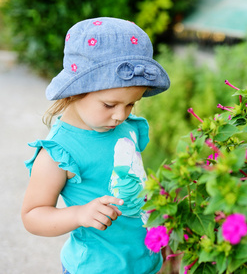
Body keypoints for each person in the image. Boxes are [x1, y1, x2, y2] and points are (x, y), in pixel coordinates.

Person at [21, 17, 170, 274]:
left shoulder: (125, 127)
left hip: (145, 261)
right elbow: (33, 215)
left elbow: (134, 177)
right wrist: (79, 215)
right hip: (97, 267)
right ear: (76, 91)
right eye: (110, 105)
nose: (120, 115)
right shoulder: (59, 152)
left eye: (131, 104)